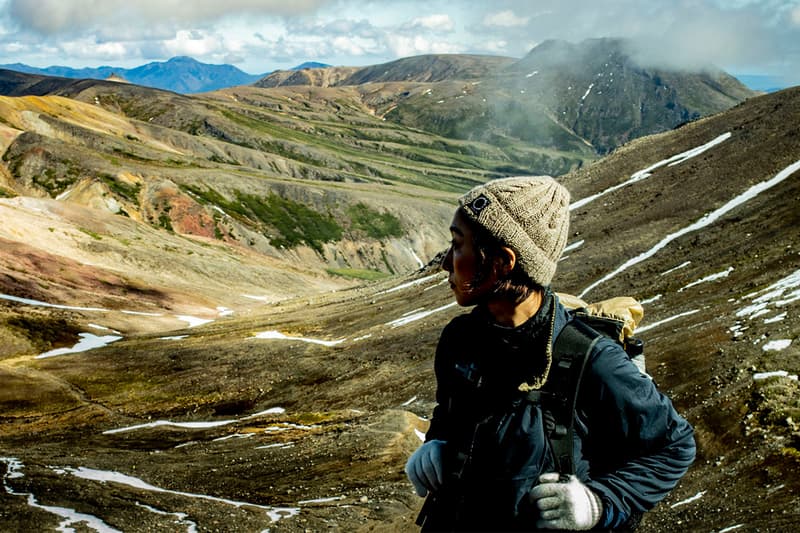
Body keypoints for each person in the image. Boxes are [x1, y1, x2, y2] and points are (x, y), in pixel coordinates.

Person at [405, 176, 696, 531]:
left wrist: (598, 504)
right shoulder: (459, 339)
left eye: (458, 244)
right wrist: (437, 443)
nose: (446, 262)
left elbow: (674, 447)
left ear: (502, 262)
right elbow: (451, 414)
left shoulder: (593, 360)